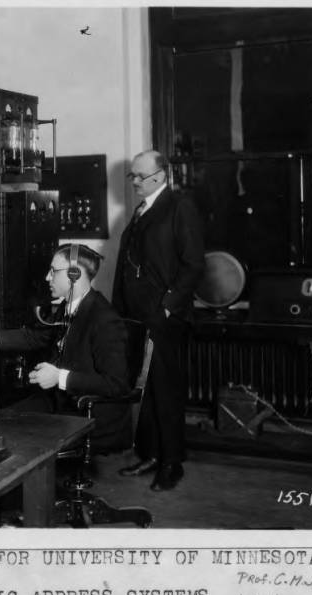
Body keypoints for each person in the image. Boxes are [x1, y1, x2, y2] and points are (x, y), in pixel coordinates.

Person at [112, 150, 204, 492]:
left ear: (162, 175)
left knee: (166, 390)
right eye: (132, 175)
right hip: (137, 316)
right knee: (146, 388)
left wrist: (167, 307)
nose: (135, 181)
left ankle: (172, 463)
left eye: (141, 175)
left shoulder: (179, 207)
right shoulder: (142, 210)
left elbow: (194, 264)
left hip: (165, 317)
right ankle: (150, 453)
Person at [0, 243, 129, 418]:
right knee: (0, 419)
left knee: (8, 426)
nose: (47, 277)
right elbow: (33, 337)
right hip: (60, 402)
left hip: (87, 415)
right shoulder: (68, 307)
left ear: (74, 274)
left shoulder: (104, 319)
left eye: (54, 271)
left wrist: (59, 377)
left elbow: (117, 384)